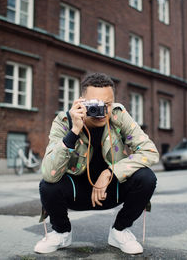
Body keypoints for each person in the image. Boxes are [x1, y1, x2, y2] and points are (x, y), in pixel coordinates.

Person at [34, 73, 159, 255]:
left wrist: (110, 172)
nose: (102, 111)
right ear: (82, 102)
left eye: (107, 104)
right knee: (47, 185)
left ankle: (120, 231)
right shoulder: (64, 121)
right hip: (76, 193)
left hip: (110, 191)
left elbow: (150, 151)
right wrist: (74, 130)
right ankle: (61, 233)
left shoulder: (118, 116)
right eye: (95, 105)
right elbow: (48, 172)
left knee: (146, 178)